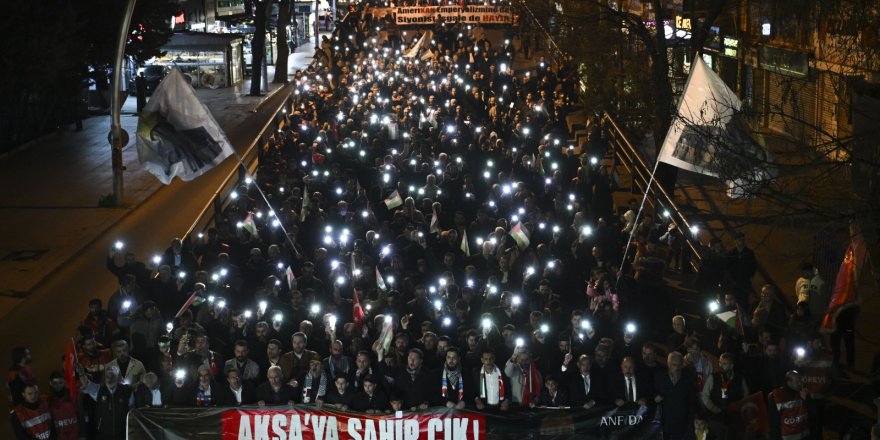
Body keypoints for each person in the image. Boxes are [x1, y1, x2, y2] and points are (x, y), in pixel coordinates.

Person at [80, 365, 134, 440]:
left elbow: (132, 412)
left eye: (113, 376)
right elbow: (87, 385)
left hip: (122, 434)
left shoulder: (126, 391)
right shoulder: (99, 390)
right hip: (103, 434)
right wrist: (81, 373)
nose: (110, 378)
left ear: (118, 377)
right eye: (107, 376)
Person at [654, 352, 696, 440]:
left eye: (679, 365)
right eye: (674, 365)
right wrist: (655, 397)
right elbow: (652, 394)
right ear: (668, 364)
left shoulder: (687, 379)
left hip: (681, 423)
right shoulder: (660, 377)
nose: (677, 368)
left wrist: (690, 422)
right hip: (664, 422)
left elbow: (692, 402)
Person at [768, 371, 810, 440]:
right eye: (797, 382)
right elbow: (774, 422)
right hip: (787, 437)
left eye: (800, 381)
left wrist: (806, 400)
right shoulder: (777, 396)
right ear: (789, 382)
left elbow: (811, 413)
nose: (800, 384)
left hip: (804, 435)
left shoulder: (803, 392)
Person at [47, 371, 79, 440]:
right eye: (55, 383)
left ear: (64, 382)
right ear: (50, 383)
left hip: (75, 437)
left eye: (60, 382)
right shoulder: (48, 401)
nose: (58, 385)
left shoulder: (72, 397)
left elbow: (80, 416)